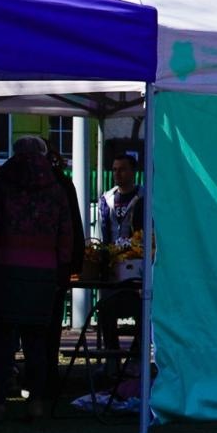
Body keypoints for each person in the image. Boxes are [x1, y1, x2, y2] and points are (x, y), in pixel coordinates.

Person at [0, 135, 79, 423]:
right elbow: (66, 233)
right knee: (38, 342)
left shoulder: (2, 184)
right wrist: (63, 269)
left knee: (0, 341)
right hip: (43, 273)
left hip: (3, 272)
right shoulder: (56, 188)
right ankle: (37, 404)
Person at [94, 152, 143, 364]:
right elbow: (102, 231)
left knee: (142, 312)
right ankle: (111, 361)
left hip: (138, 264)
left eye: (122, 169)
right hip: (112, 266)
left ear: (133, 171)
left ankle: (134, 360)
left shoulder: (144, 196)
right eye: (114, 170)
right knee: (106, 311)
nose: (117, 174)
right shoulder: (107, 198)